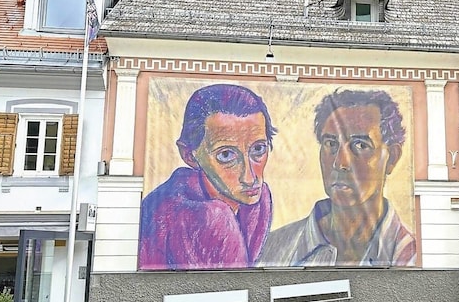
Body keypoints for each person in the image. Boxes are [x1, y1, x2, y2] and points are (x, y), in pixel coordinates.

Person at [260, 89, 415, 267]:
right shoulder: (273, 249)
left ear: (392, 157)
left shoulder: (409, 255)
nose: (340, 163)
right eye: (331, 144)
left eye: (360, 145)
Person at [139, 84, 277, 270]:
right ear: (189, 155)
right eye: (226, 155)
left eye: (258, 149)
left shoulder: (259, 201)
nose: (250, 177)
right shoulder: (207, 217)